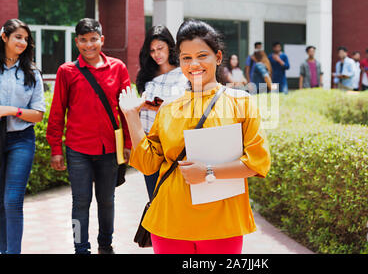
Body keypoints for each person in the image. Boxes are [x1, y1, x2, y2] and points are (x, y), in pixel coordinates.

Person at [119, 19, 271, 254]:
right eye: (186, 58)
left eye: (202, 55)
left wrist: (209, 171)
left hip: (222, 222)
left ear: (218, 57)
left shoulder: (241, 103)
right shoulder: (169, 108)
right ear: (179, 61)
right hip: (169, 220)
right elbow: (148, 164)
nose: (194, 64)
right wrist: (132, 116)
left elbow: (257, 162)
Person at [46, 18, 132, 254]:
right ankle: (80, 248)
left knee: (107, 202)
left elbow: (127, 109)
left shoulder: (118, 68)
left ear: (102, 40)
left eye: (93, 39)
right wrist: (55, 149)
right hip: (77, 151)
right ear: (77, 42)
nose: (89, 45)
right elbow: (57, 111)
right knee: (80, 204)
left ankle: (106, 245)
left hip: (109, 150)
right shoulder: (67, 71)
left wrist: (128, 142)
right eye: (83, 40)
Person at [0, 19, 45, 254]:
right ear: (4, 37)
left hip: (21, 140)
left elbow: (38, 114)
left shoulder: (32, 73)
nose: (23, 42)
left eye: (26, 39)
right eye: (18, 36)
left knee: (12, 201)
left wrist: (10, 110)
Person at [136, 25, 188, 200]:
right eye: (152, 50)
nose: (156, 54)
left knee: (175, 199)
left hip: (174, 146)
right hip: (150, 143)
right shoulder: (146, 75)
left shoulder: (184, 74)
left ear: (170, 47)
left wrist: (162, 108)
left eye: (160, 48)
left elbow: (189, 109)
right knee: (154, 198)